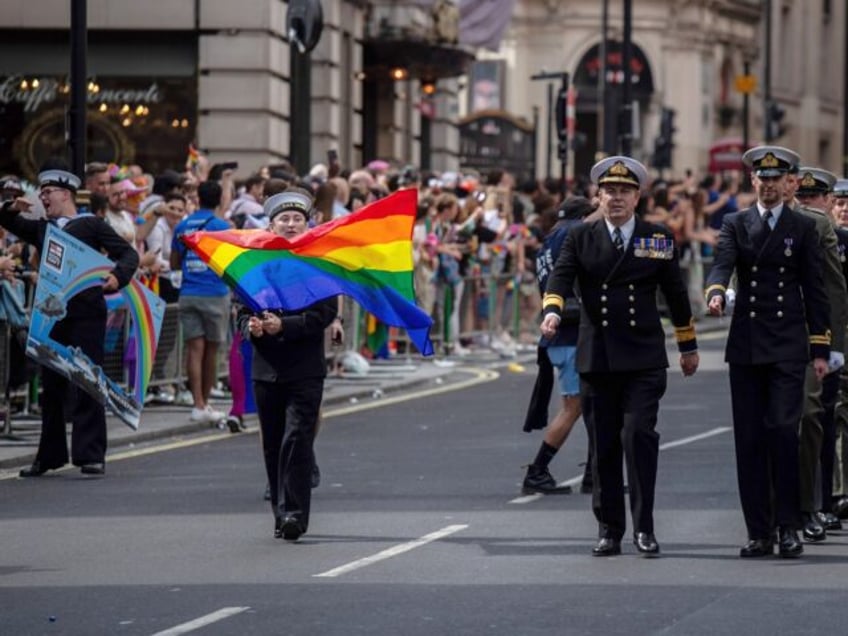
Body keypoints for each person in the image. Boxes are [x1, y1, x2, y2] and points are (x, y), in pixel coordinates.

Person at [540, 156, 699, 557]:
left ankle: (643, 527)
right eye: (609, 191)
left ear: (638, 196)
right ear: (599, 195)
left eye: (625, 191)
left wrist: (687, 344)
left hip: (644, 357)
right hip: (599, 356)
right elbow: (560, 275)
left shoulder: (657, 238)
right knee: (605, 444)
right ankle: (609, 528)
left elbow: (676, 294)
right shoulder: (582, 237)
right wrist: (553, 309)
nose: (616, 198)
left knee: (638, 437)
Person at [705, 145, 831, 559]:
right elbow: (722, 263)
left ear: (786, 183)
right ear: (752, 181)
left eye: (777, 179)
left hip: (788, 345)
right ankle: (759, 530)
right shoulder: (735, 223)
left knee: (782, 432)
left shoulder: (803, 227)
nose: (769, 185)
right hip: (747, 344)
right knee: (750, 440)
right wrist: (717, 292)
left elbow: (815, 290)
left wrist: (820, 347)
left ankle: (789, 524)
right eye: (763, 178)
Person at [0, 164, 139, 477]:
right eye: (41, 192)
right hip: (52, 316)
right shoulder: (42, 229)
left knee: (88, 381)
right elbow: (7, 220)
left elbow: (127, 255)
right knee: (52, 386)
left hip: (87, 313)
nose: (42, 198)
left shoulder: (91, 224)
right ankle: (48, 457)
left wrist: (118, 278)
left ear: (65, 194)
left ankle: (90, 455)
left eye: (47, 193)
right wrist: (11, 206)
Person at [235, 188, 337, 541]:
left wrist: (285, 325)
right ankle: (279, 513)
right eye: (284, 219)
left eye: (297, 219)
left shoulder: (318, 263)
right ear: (272, 224)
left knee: (297, 439)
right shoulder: (255, 263)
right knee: (273, 443)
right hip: (266, 368)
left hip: (305, 368)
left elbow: (325, 313)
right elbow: (241, 308)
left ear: (307, 224)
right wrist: (250, 326)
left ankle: (295, 514)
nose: (291, 224)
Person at [521, 197, 595, 495]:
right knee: (575, 406)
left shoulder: (550, 239)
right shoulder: (571, 233)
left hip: (561, 333)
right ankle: (538, 470)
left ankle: (595, 473)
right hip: (569, 333)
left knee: (592, 405)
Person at [791, 166, 847, 540]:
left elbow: (836, 294)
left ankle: (824, 500)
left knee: (824, 419)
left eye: (816, 198)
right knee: (809, 419)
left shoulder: (837, 238)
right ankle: (807, 503)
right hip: (794, 339)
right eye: (803, 197)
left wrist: (836, 345)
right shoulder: (789, 232)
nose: (808, 203)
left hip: (827, 339)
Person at [171, 180, 232, 423]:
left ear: (198, 198)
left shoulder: (183, 226)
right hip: (215, 293)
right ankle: (205, 404)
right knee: (213, 350)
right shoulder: (221, 227)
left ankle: (196, 404)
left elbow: (175, 262)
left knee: (194, 350)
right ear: (219, 200)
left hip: (188, 292)